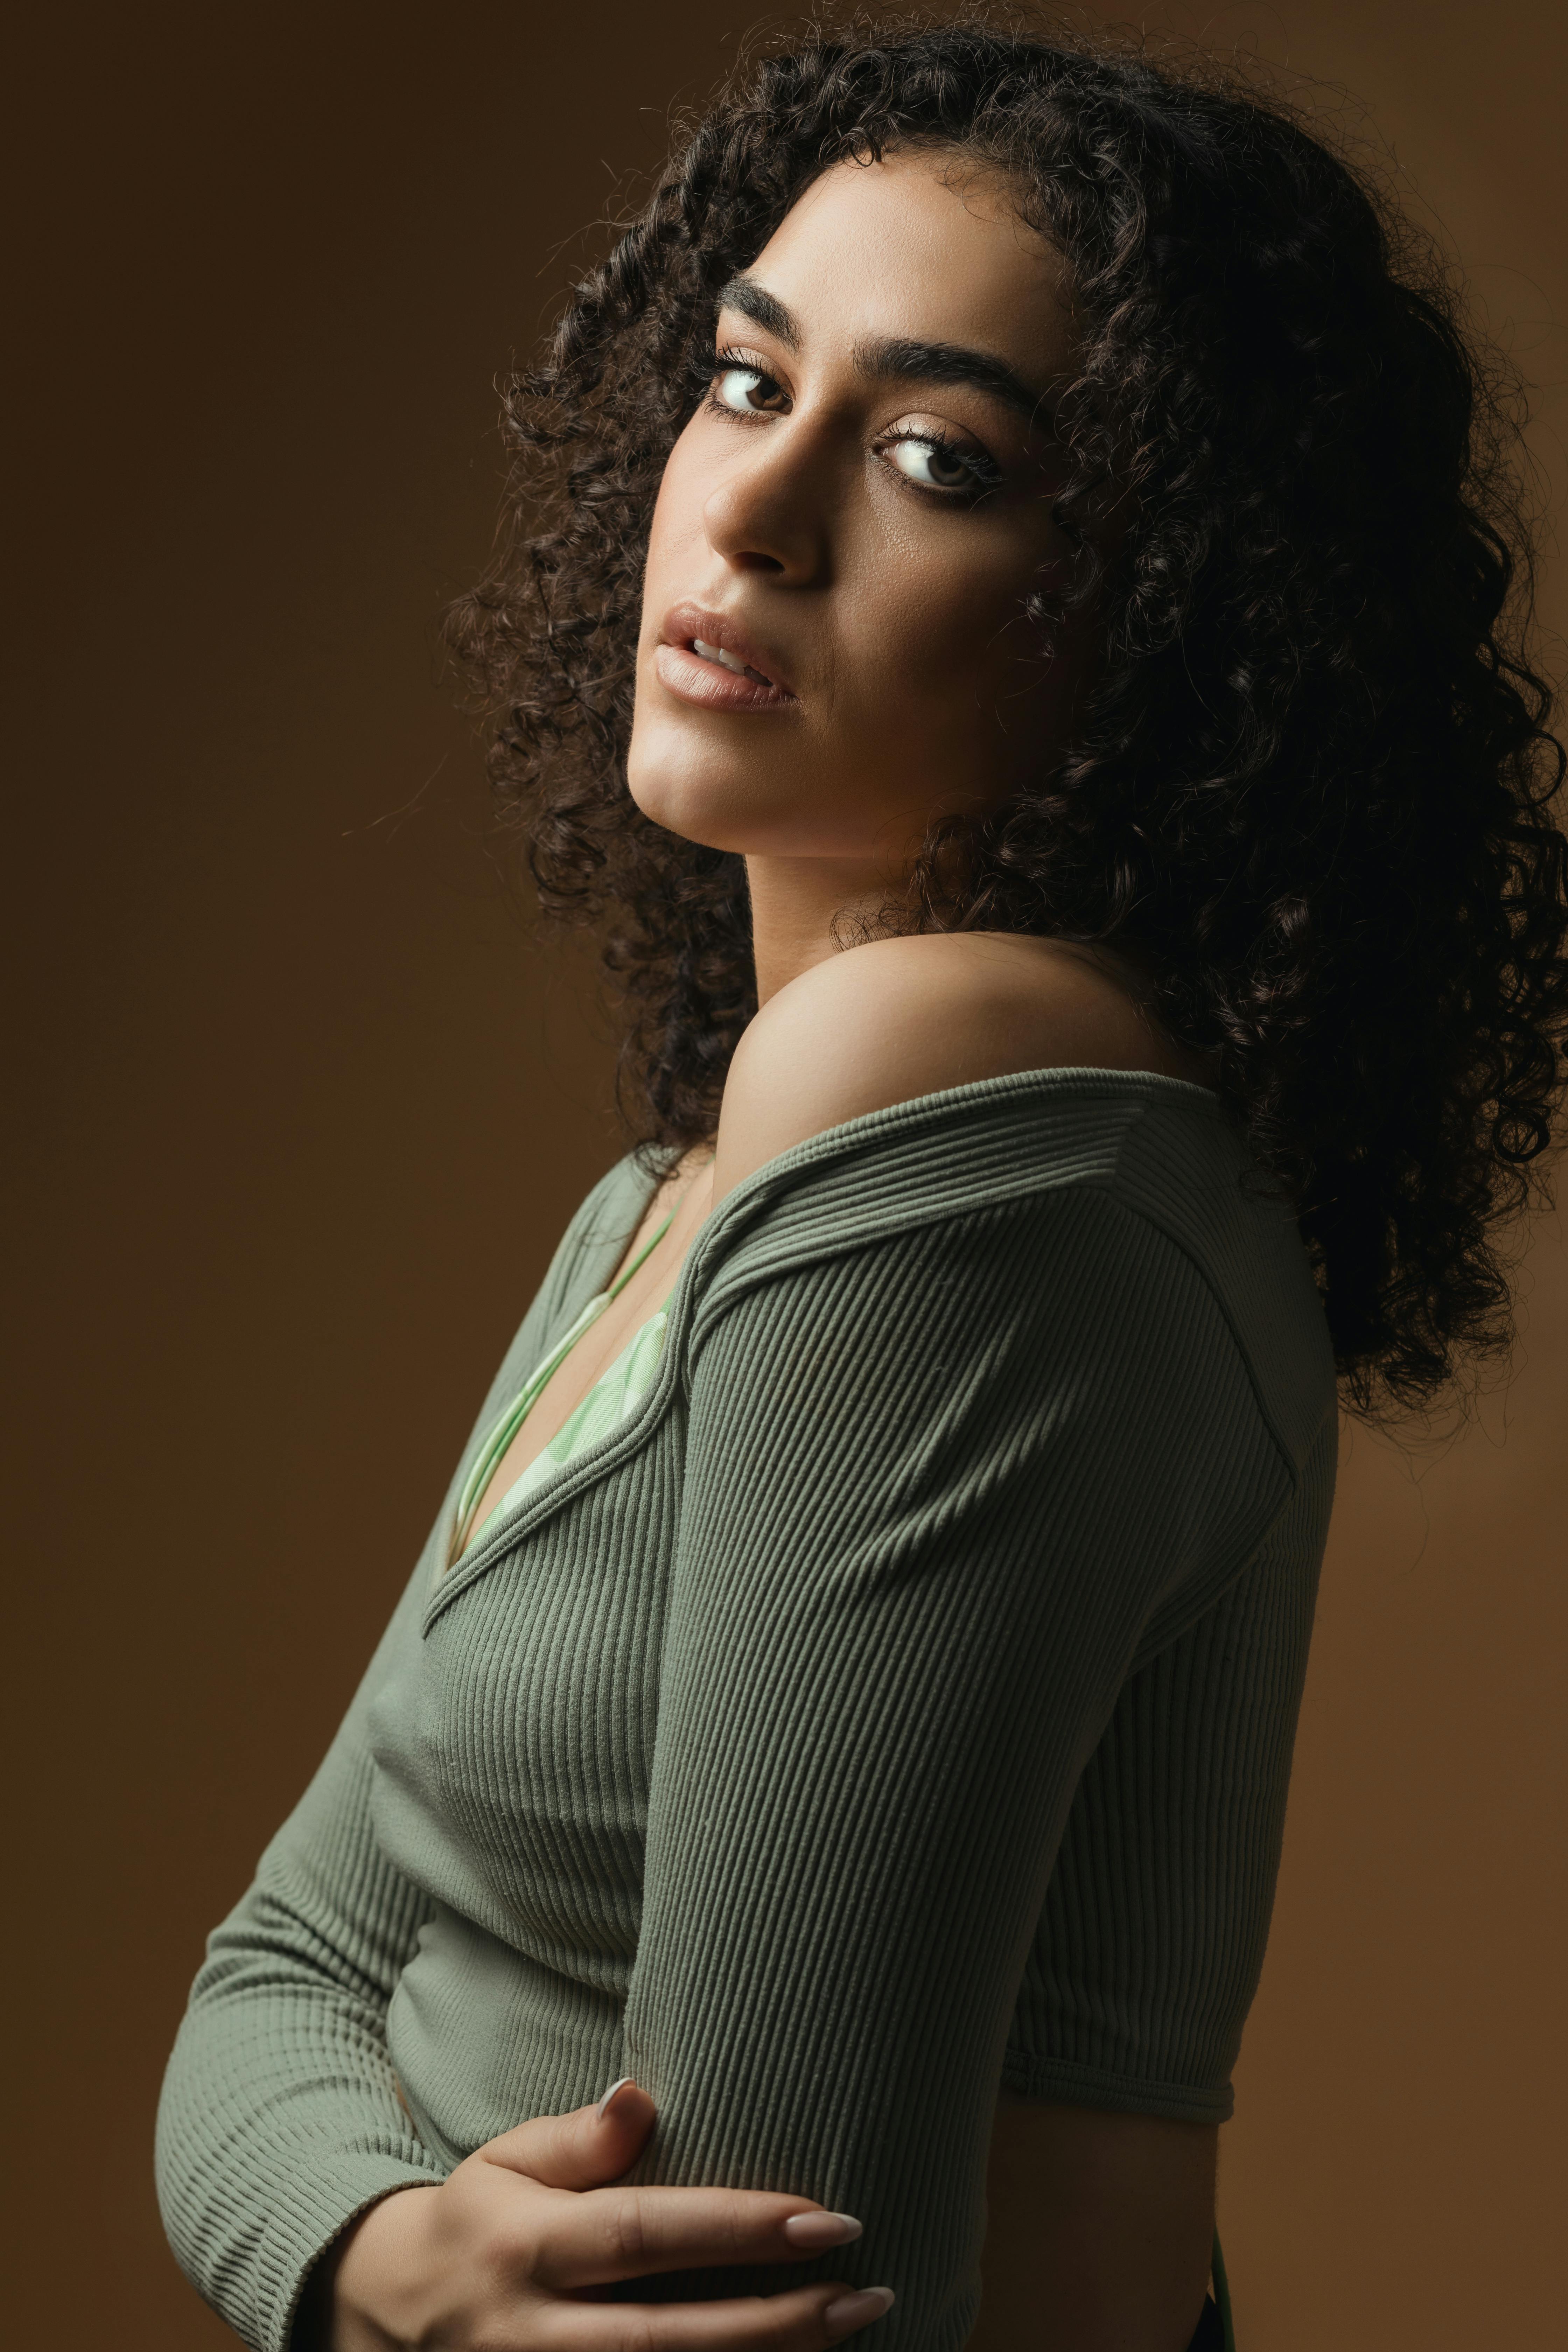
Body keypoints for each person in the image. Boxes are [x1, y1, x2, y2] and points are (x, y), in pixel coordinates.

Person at [155, 17, 1568, 2352]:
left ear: (1169, 623)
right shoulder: (664, 1203)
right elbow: (277, 1964)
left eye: (937, 456)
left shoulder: (942, 1084)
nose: (758, 508)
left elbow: (777, 2257)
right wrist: (383, 2256)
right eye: (741, 381)